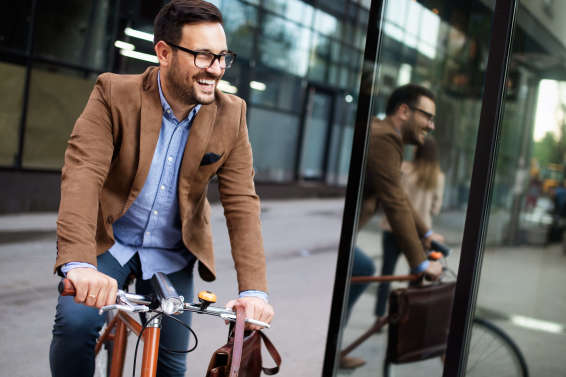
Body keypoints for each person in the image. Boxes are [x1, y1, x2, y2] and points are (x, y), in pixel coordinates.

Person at [49, 1, 273, 376]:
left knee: (172, 362)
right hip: (110, 241)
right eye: (203, 56)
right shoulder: (113, 93)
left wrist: (254, 291)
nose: (215, 69)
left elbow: (242, 204)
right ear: (164, 53)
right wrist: (79, 265)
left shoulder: (231, 114)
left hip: (172, 250)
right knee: (76, 324)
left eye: (222, 57)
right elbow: (82, 173)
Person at [340, 84, 444, 369]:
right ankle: (332, 345)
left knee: (363, 269)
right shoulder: (384, 138)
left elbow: (398, 194)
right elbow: (394, 202)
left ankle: (333, 344)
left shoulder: (386, 136)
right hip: (336, 233)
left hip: (342, 230)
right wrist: (421, 264)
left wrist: (426, 232)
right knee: (362, 268)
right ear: (403, 111)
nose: (431, 126)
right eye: (428, 117)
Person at [375, 136, 445, 318]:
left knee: (386, 274)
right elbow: (435, 208)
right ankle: (406, 318)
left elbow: (394, 198)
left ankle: (379, 315)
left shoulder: (404, 169)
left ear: (417, 150)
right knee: (416, 277)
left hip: (393, 229)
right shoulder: (437, 177)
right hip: (420, 235)